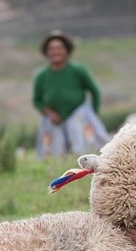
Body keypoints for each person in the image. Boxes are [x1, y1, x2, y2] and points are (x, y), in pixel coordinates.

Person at [32, 29, 111, 159]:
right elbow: (37, 100)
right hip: (54, 119)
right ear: (46, 52)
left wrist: (93, 114)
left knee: (84, 147)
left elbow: (94, 91)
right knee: (55, 151)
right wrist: (49, 113)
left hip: (78, 114)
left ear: (67, 50)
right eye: (51, 48)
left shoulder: (78, 70)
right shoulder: (41, 76)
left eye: (60, 48)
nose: (56, 52)